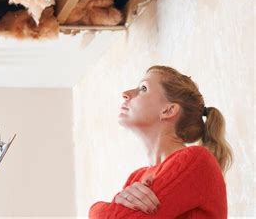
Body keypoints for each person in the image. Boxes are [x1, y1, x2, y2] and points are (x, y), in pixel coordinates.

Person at [89, 66, 232, 218]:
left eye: (143, 88)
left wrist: (95, 209)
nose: (125, 94)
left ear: (168, 110)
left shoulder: (196, 159)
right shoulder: (136, 177)